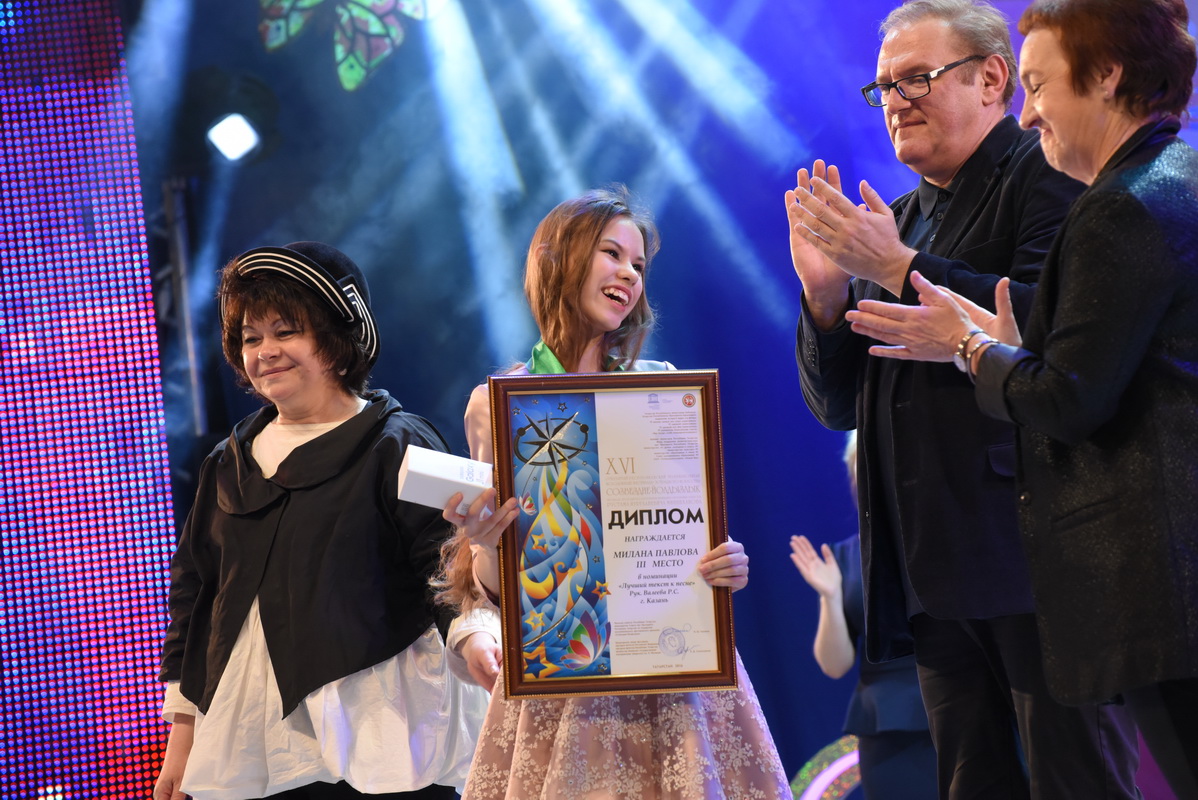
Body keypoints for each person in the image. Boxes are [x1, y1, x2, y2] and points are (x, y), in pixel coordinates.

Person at [782, 0, 1140, 796]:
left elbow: (1051, 327)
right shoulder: (900, 218)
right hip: (933, 576)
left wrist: (897, 267)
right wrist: (825, 298)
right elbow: (839, 408)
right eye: (884, 87)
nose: (896, 101)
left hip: (1040, 562)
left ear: (991, 78)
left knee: (1078, 781)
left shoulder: (1049, 173)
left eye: (917, 78)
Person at [435, 187, 791, 800]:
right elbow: (494, 586)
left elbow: (687, 530)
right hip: (561, 677)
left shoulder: (664, 391)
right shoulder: (498, 404)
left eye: (639, 264)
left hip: (670, 672)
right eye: (612, 253)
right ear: (558, 261)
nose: (629, 273)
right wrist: (485, 543)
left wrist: (722, 560)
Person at [155, 242, 488, 800]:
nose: (266, 351)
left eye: (286, 331)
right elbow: (196, 596)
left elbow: (446, 566)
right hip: (254, 741)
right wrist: (183, 734)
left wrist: (473, 638)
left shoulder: (399, 442)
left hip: (383, 734)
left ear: (337, 339)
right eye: (251, 338)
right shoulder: (226, 463)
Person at [789, 432, 935, 800]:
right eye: (863, 468)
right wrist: (830, 596)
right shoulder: (843, 558)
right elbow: (834, 665)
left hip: (964, 703)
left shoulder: (948, 541)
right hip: (889, 729)